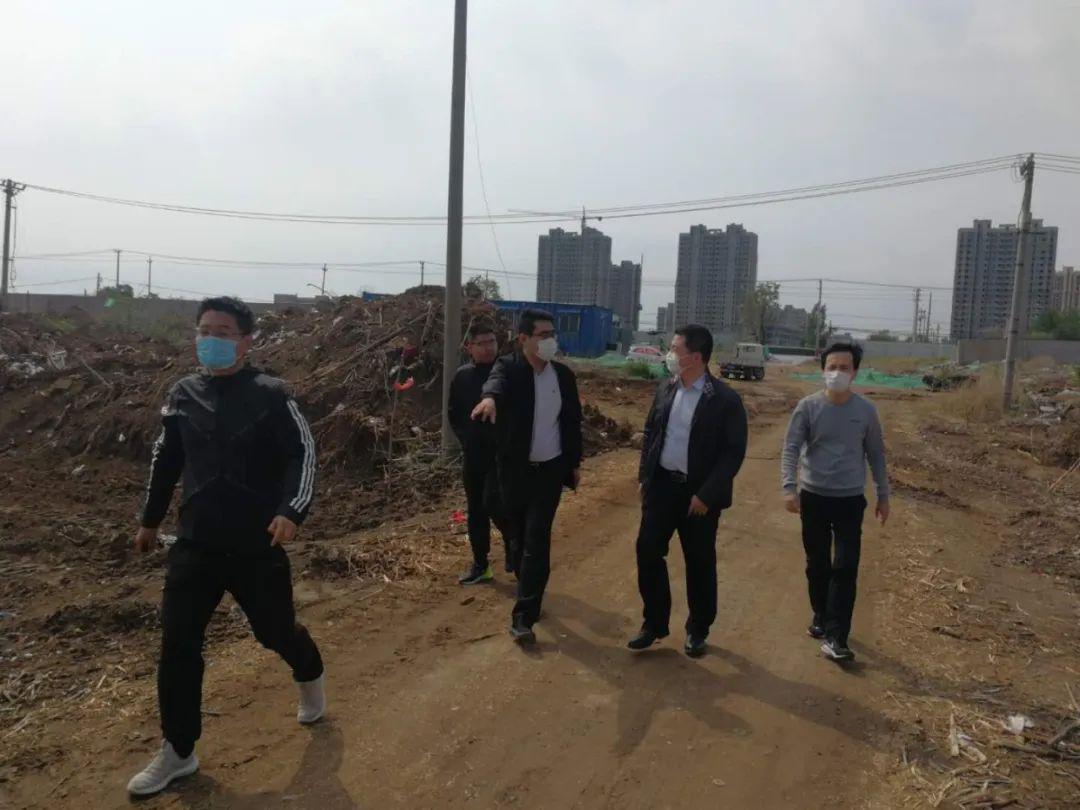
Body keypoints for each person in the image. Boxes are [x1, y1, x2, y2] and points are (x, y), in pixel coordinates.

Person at [127, 297, 325, 797]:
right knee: (178, 644)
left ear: (245, 341)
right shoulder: (183, 393)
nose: (211, 340)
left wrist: (291, 510)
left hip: (256, 542)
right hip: (196, 542)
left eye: (223, 332)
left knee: (274, 632)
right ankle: (178, 750)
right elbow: (166, 459)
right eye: (204, 331)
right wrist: (150, 520)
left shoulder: (271, 394)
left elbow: (302, 454)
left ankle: (308, 671)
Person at [629, 324, 748, 658]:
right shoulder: (667, 388)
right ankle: (654, 623)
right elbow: (651, 433)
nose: (669, 354)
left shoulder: (724, 400)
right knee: (647, 550)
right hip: (662, 487)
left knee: (699, 561)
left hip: (699, 495)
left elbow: (733, 453)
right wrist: (645, 476)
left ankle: (698, 629)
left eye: (674, 349)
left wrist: (707, 494)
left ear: (695, 357)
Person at [471, 308, 583, 643]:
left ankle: (524, 617)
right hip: (515, 470)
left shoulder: (563, 376)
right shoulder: (508, 367)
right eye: (543, 335)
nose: (551, 341)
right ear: (523, 339)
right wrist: (489, 399)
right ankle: (524, 575)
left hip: (549, 471)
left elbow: (572, 421)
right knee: (517, 535)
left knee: (537, 539)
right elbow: (495, 384)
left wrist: (574, 463)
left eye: (553, 334)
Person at [781, 340, 890, 663]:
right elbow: (791, 447)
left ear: (855, 372)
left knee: (845, 566)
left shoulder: (866, 411)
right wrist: (789, 487)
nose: (837, 373)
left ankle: (836, 637)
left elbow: (876, 455)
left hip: (849, 499)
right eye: (832, 367)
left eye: (844, 367)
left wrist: (883, 495)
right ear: (823, 371)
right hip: (814, 497)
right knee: (818, 564)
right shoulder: (808, 407)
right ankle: (821, 614)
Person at [448, 320, 515, 584]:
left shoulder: (508, 373)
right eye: (482, 343)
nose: (488, 348)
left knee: (494, 502)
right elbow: (454, 413)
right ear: (470, 347)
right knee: (476, 509)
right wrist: (466, 440)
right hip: (474, 454)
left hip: (502, 455)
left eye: (492, 342)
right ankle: (481, 565)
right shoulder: (462, 376)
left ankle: (512, 542)